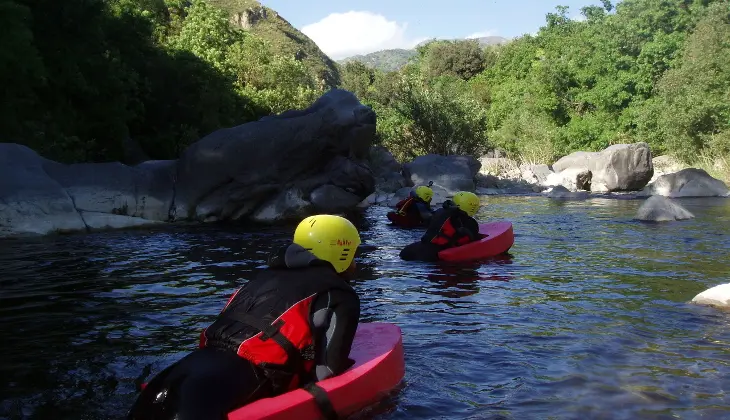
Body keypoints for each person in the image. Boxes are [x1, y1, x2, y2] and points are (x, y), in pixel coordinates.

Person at [127, 214, 362, 420]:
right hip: (238, 383)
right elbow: (328, 372)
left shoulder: (262, 277)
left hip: (174, 378)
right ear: (340, 251)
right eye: (353, 254)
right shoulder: (339, 293)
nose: (355, 262)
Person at [399, 191, 482, 262]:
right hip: (431, 256)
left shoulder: (441, 211)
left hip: (412, 249)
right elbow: (471, 241)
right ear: (472, 207)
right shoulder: (470, 223)